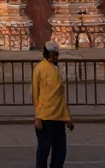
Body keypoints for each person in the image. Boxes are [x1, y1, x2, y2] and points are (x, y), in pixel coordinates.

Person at [33, 40, 73, 168]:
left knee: (60, 151)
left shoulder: (56, 69)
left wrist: (67, 118)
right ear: (46, 54)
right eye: (52, 54)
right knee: (44, 150)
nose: (54, 56)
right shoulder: (40, 69)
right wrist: (38, 117)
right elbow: (36, 94)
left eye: (56, 54)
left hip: (58, 117)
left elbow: (60, 97)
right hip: (45, 117)